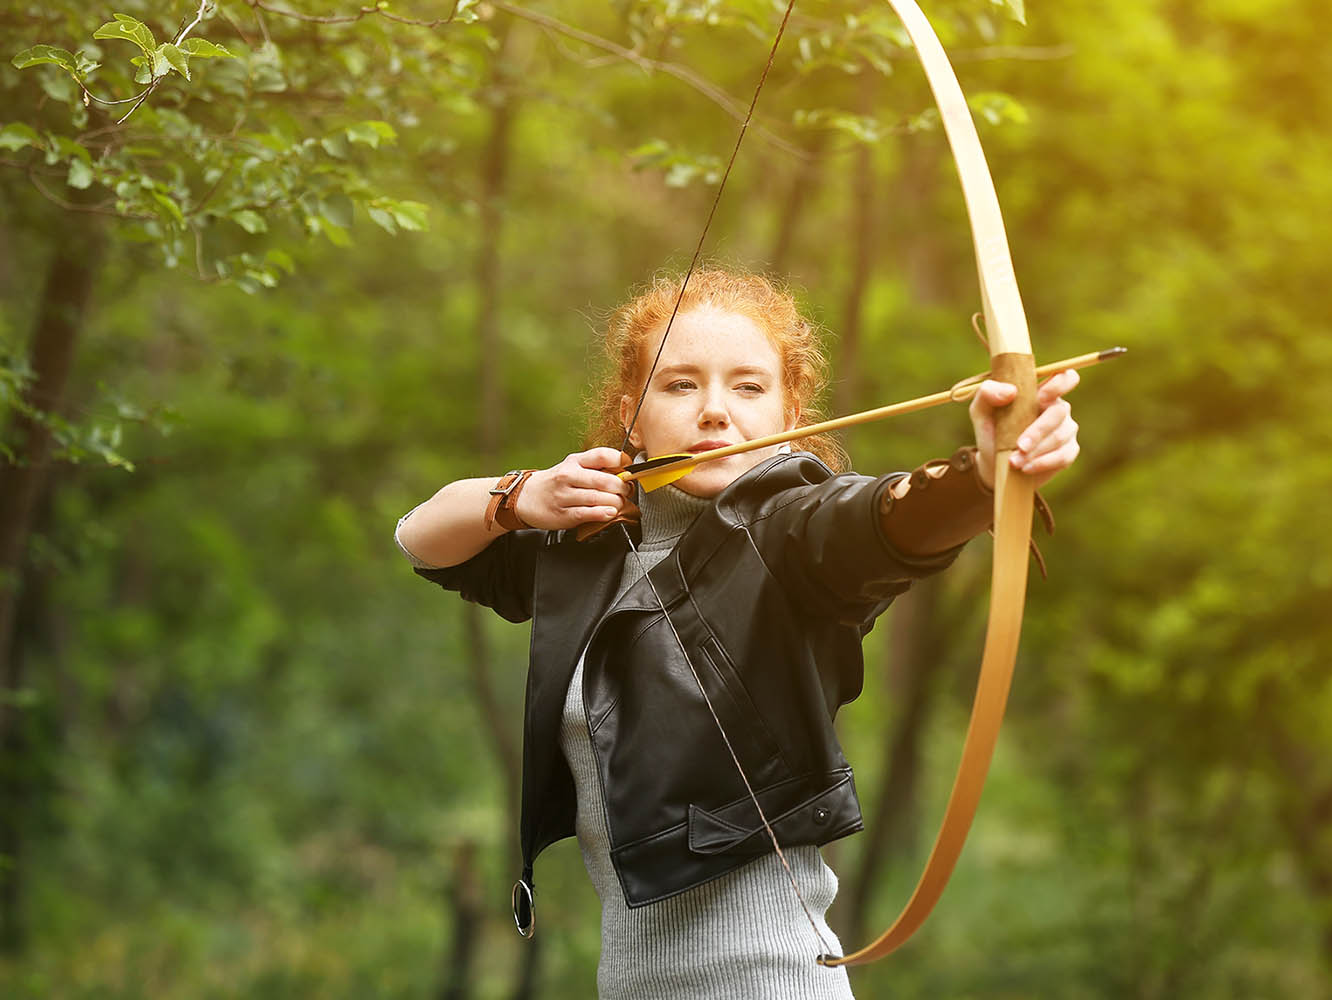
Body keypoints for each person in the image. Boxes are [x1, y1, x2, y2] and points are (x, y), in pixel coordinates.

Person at [394, 268, 1081, 999]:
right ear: (632, 414)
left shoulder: (791, 533)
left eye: (748, 387)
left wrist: (984, 473)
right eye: (681, 384)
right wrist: (520, 496)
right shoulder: (588, 550)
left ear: (791, 411)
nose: (715, 411)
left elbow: (887, 520)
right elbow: (421, 539)